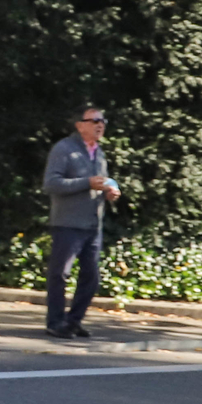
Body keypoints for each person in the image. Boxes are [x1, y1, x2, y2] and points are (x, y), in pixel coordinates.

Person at [42, 106, 120, 339]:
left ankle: (73, 321)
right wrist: (87, 183)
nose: (100, 124)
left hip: (92, 225)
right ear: (80, 125)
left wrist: (111, 191)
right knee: (60, 274)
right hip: (67, 223)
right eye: (94, 120)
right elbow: (51, 184)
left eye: (102, 120)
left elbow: (104, 181)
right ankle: (55, 322)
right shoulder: (64, 149)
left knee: (91, 277)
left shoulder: (99, 152)